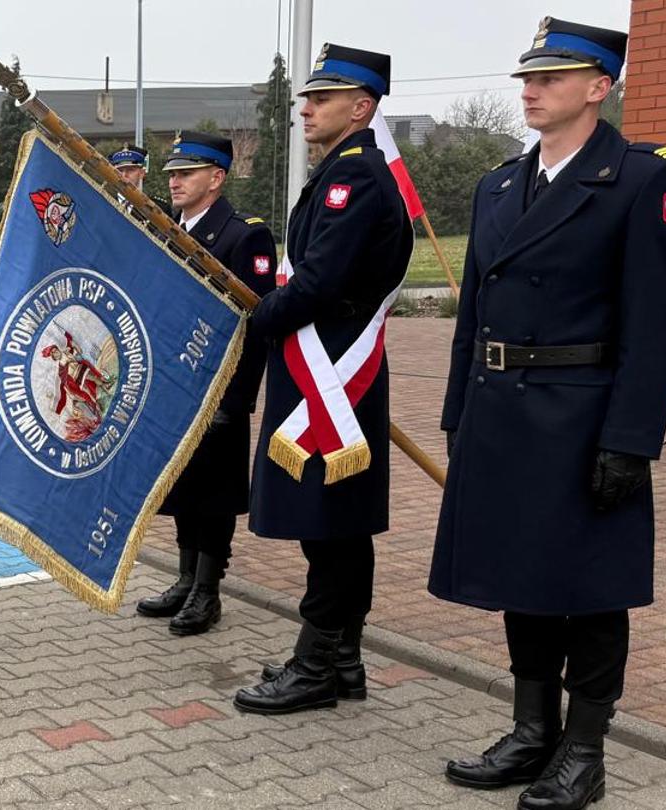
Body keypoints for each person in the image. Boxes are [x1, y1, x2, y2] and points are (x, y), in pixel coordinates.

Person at [430, 18, 666, 809]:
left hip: (582, 417)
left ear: (598, 86)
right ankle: (530, 730)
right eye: (527, 76)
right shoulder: (499, 184)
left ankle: (585, 750)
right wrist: (456, 413)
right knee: (523, 580)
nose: (531, 89)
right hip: (500, 412)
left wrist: (631, 439)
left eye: (551, 77)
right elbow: (472, 312)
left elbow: (659, 324)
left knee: (589, 587)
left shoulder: (644, 179)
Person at [232, 43, 412, 716]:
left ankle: (317, 667)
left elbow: (318, 281)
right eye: (307, 97)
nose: (305, 108)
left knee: (332, 523)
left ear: (362, 107)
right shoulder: (344, 169)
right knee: (335, 526)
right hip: (325, 373)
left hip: (335, 377)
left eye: (322, 98)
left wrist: (253, 318)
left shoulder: (356, 177)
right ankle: (341, 661)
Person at [133, 132, 277, 636]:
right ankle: (184, 578)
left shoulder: (243, 236)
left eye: (186, 173)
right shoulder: (168, 227)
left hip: (218, 390)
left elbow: (254, 323)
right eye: (172, 172)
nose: (174, 180)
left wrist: (236, 399)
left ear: (216, 178)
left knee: (213, 493)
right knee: (181, 485)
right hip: (174, 384)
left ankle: (208, 590)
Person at [109, 143, 175, 217]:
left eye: (130, 170)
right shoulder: (105, 204)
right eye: (120, 170)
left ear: (142, 173)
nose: (124, 175)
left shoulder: (157, 208)